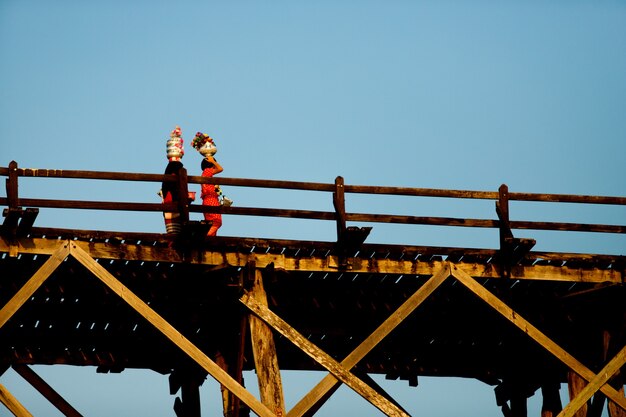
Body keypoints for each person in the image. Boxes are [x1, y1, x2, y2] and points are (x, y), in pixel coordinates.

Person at [192, 132, 226, 237]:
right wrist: (213, 161)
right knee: (217, 222)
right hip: (211, 201)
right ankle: (205, 238)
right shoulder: (207, 171)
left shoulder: (206, 175)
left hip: (208, 201)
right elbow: (220, 169)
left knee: (212, 224)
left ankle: (210, 242)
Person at [161, 126, 185, 237]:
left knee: (170, 221)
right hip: (173, 198)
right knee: (175, 222)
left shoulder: (169, 167)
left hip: (168, 197)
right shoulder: (177, 166)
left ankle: (172, 240)